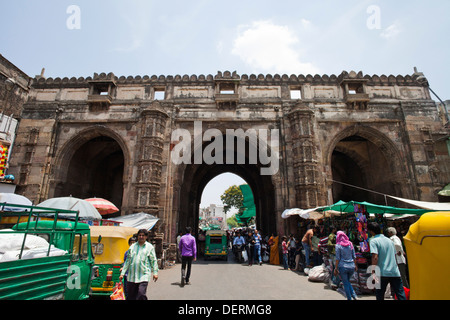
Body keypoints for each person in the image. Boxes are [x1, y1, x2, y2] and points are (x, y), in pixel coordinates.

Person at [367, 222, 406, 300]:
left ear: (371, 231)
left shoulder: (374, 241)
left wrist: (373, 272)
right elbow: (394, 256)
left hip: (382, 272)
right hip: (394, 272)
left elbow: (375, 257)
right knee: (400, 295)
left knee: (380, 295)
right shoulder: (390, 241)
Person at [119, 229, 158, 300]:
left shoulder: (149, 247)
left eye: (143, 235)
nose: (141, 237)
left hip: (143, 275)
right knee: (131, 296)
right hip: (132, 276)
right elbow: (127, 261)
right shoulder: (132, 247)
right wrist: (122, 273)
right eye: (139, 235)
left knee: (141, 293)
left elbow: (153, 260)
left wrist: (155, 273)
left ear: (146, 237)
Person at [334, 231, 358, 300]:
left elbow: (337, 258)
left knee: (345, 283)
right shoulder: (350, 244)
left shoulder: (338, 245)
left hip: (343, 266)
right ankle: (354, 295)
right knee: (347, 281)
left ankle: (349, 298)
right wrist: (355, 265)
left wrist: (336, 268)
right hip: (351, 266)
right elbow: (354, 256)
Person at [121, 235, 136, 299]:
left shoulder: (138, 252)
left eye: (134, 243)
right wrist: (122, 268)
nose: (132, 244)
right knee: (127, 291)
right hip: (127, 274)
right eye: (131, 243)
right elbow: (125, 262)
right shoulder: (126, 253)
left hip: (135, 275)